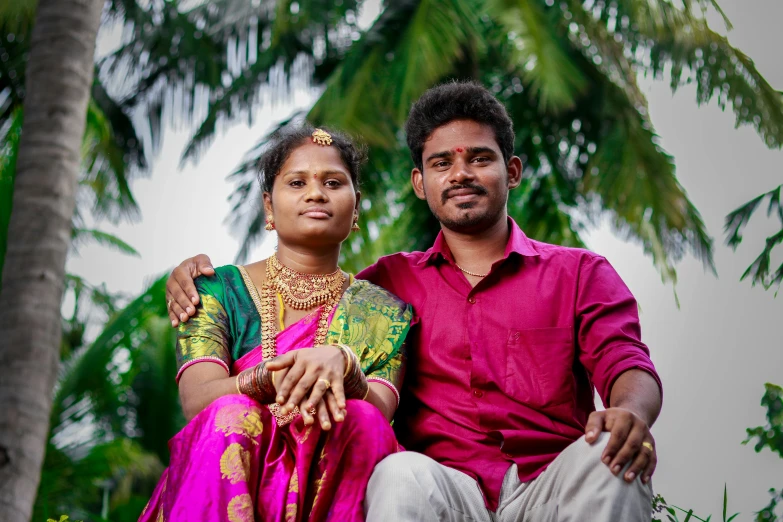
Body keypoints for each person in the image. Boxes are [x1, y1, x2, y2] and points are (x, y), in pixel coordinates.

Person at [166, 82, 662, 522]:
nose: (461, 174)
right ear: (420, 183)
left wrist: (630, 413)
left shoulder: (577, 273)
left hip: (552, 480)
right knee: (400, 475)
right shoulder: (388, 283)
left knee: (610, 454)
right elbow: (306, 287)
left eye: (480, 159)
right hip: (445, 491)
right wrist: (188, 275)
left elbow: (626, 363)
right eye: (442, 163)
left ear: (511, 171)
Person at [141, 126, 412, 522]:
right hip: (228, 472)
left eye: (333, 182)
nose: (316, 193)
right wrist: (266, 380)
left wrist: (346, 364)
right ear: (269, 207)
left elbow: (381, 412)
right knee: (229, 411)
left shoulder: (382, 312)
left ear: (356, 208)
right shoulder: (216, 289)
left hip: (329, 470)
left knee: (363, 419)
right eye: (297, 182)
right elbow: (197, 402)